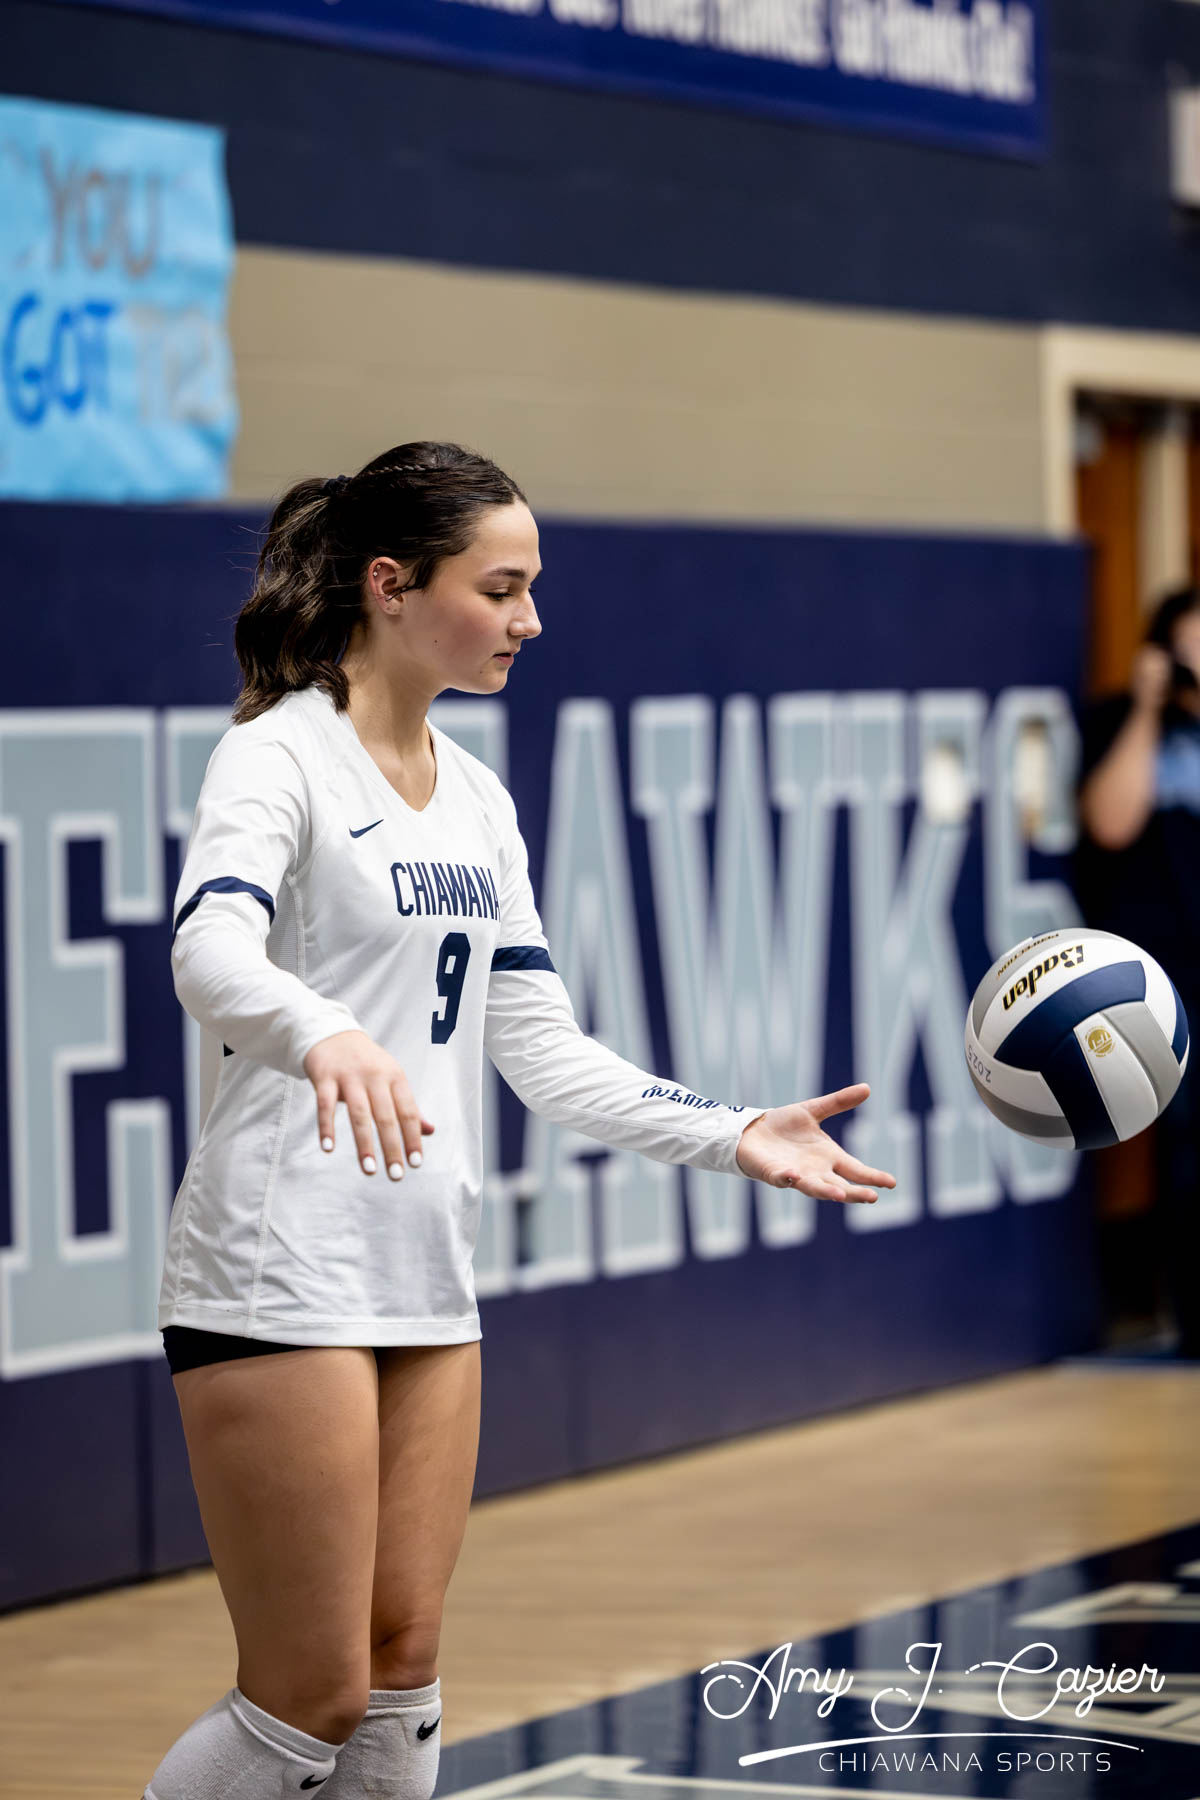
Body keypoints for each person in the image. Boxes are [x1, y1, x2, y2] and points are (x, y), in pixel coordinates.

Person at [146, 440, 897, 1800]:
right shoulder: (277, 754)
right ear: (390, 585)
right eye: (500, 590)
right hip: (277, 1264)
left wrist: (735, 1131)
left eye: (530, 589)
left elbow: (541, 1050)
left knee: (403, 1668)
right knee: (308, 1694)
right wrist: (324, 1030)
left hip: (425, 1265)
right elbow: (208, 952)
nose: (529, 620)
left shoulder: (479, 798)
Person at [1074, 584, 1200, 1358]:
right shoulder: (1123, 725)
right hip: (1164, 974)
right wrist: (1150, 709)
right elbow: (1110, 823)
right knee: (1188, 1142)